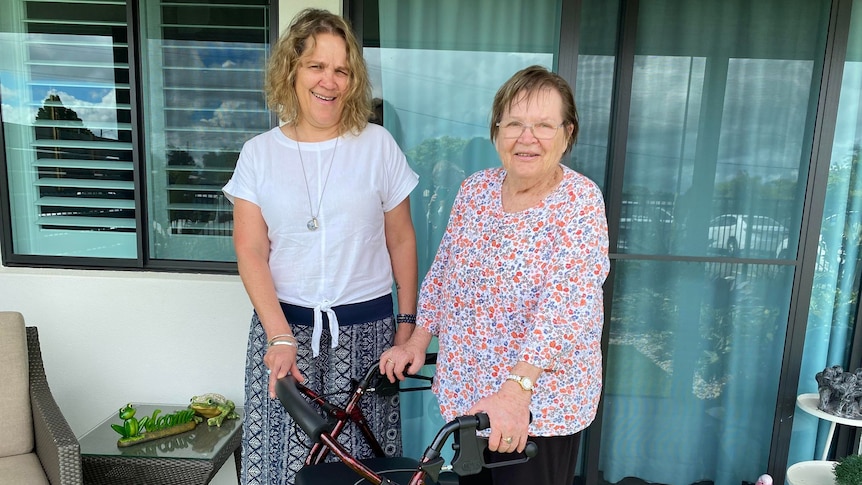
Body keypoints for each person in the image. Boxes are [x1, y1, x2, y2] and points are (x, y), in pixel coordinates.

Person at [379, 65, 610, 485]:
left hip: (536, 406)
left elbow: (568, 302)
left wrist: (515, 392)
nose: (527, 137)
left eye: (543, 125)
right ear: (496, 130)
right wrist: (417, 339)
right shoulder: (476, 190)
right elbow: (445, 271)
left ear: (567, 133)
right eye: (515, 123)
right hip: (472, 397)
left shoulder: (580, 201)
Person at [222, 8, 419, 485]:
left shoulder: (377, 145)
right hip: (283, 336)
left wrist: (407, 325)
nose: (328, 81)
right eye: (316, 65)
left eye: (341, 69)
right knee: (283, 470)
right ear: (291, 69)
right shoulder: (259, 153)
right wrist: (279, 335)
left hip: (368, 336)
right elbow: (250, 250)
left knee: (363, 471)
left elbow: (401, 239)